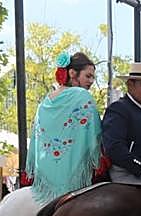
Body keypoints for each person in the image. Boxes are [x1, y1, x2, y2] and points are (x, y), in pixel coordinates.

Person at [28, 51, 102, 206]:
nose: (92, 81)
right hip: (74, 182)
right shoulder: (82, 96)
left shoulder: (45, 102)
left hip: (45, 183)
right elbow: (94, 135)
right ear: (72, 73)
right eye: (88, 76)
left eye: (93, 77)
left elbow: (37, 138)